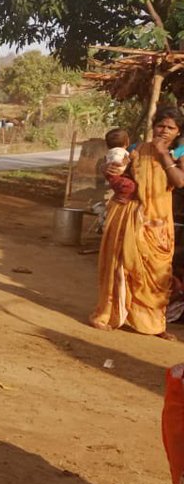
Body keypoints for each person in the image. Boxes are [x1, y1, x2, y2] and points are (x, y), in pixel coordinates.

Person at [89, 106, 184, 338]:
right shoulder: (137, 149)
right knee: (124, 267)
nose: (164, 130)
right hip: (131, 215)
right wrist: (107, 169)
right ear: (153, 127)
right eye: (160, 125)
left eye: (170, 127)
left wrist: (163, 155)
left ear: (178, 132)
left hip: (158, 223)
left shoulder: (179, 153)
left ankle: (153, 324)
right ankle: (114, 314)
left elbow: (180, 182)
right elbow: (118, 171)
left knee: (156, 273)